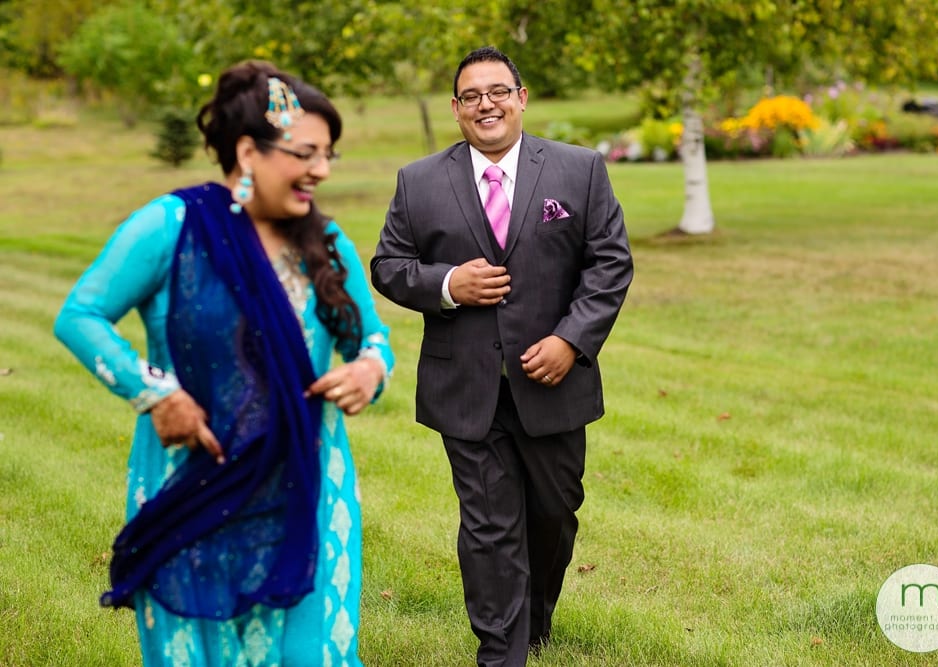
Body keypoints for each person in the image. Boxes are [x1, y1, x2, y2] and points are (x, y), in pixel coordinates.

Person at [54, 60, 393, 666]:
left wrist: (369, 369)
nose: (320, 170)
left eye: (328, 156)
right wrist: (154, 392)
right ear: (248, 151)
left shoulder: (325, 241)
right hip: (195, 481)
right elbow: (81, 316)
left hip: (308, 489)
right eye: (306, 153)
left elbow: (374, 340)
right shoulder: (172, 226)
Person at [370, 46, 633, 666]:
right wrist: (446, 285)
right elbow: (388, 265)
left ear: (520, 98)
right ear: (456, 109)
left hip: (553, 384)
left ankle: (534, 623)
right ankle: (501, 652)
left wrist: (572, 340)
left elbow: (610, 262)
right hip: (466, 386)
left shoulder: (580, 170)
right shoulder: (419, 181)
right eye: (470, 95)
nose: (484, 103)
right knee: (489, 526)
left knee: (553, 517)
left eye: (496, 91)